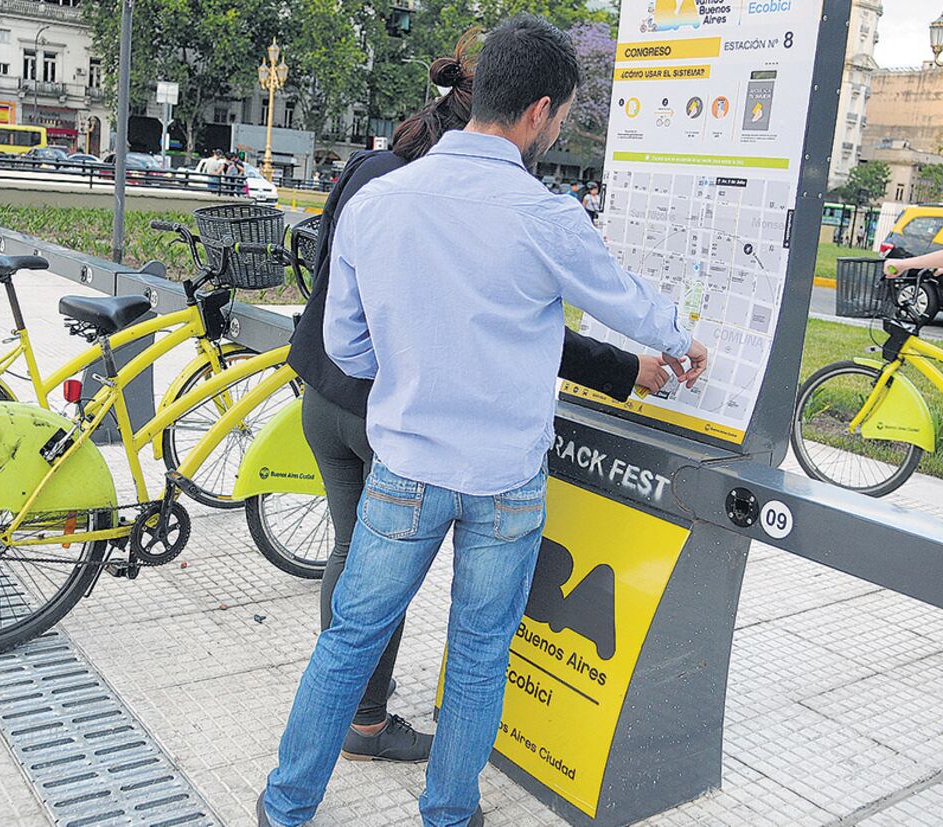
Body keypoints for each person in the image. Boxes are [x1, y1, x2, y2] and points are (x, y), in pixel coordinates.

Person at [258, 15, 706, 827]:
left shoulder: (379, 196)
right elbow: (624, 304)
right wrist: (681, 338)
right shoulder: (544, 213)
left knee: (349, 639)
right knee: (476, 655)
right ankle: (448, 813)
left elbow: (347, 347)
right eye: (563, 116)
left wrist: (419, 373)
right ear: (539, 111)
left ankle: (285, 808)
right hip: (504, 482)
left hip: (403, 468)